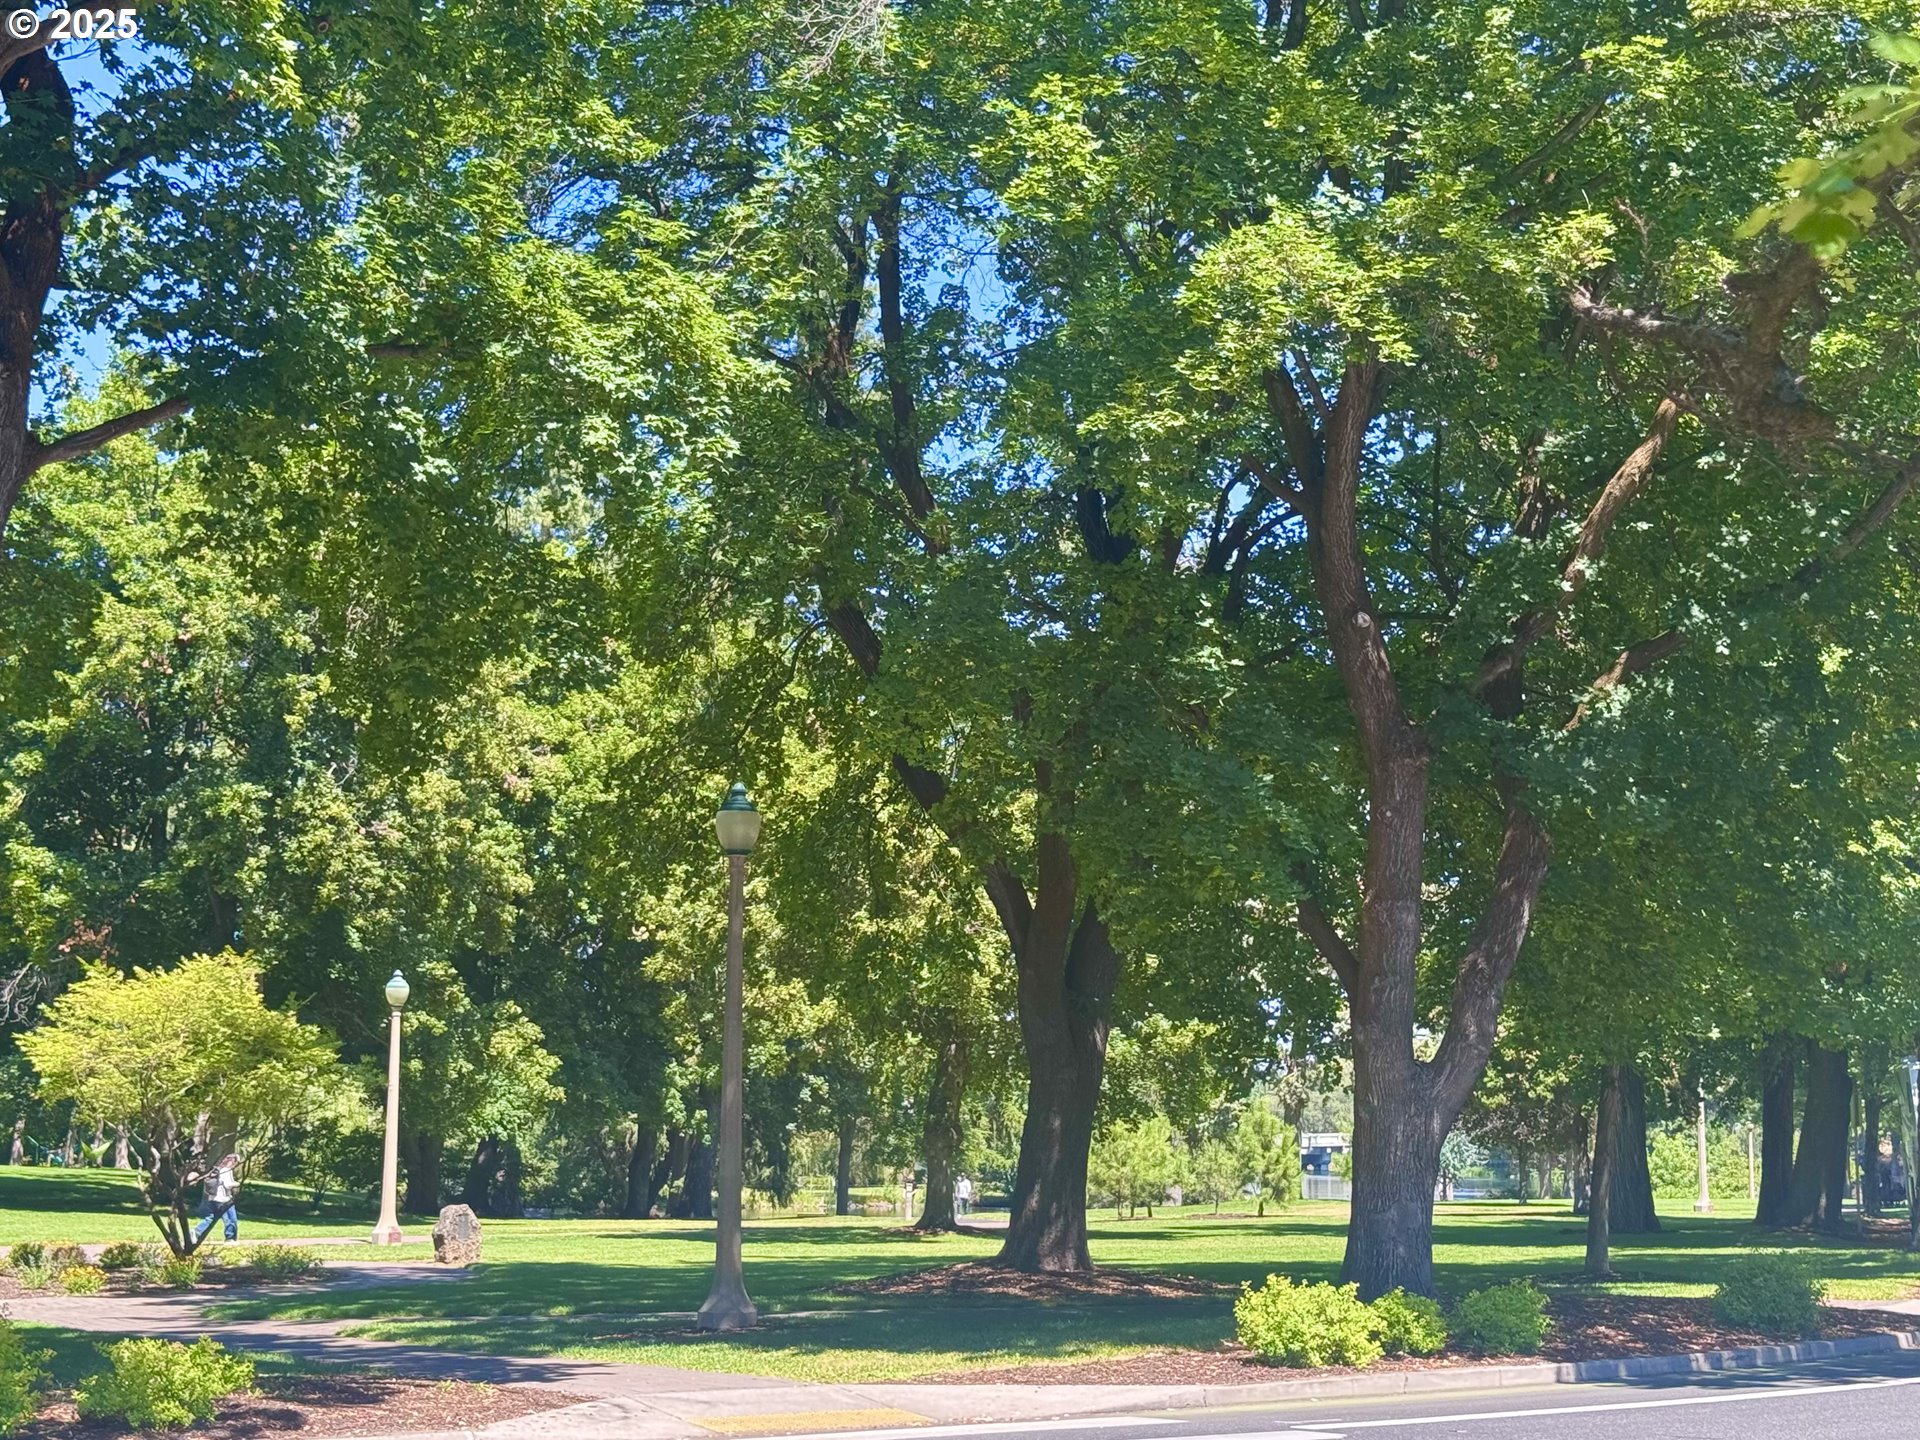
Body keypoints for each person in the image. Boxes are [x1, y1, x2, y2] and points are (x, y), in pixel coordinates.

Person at [192, 1153, 241, 1244]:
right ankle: (230, 1238)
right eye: (236, 1162)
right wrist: (237, 1184)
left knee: (210, 1218)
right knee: (231, 1219)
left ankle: (196, 1232)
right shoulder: (227, 1170)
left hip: (213, 1198)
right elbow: (227, 1185)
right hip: (224, 1199)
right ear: (232, 1161)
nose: (236, 1164)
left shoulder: (218, 1169)